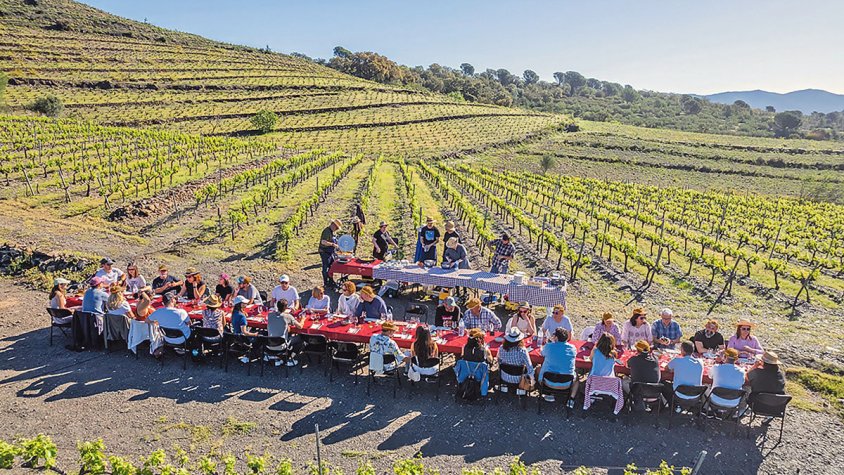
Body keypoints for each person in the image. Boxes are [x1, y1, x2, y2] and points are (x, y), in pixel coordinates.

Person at [537, 327, 579, 400]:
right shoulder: (572, 348)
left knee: (538, 369)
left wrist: (544, 346)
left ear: (556, 337)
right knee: (577, 378)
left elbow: (542, 353)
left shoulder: (549, 346)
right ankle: (571, 398)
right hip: (567, 383)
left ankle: (545, 391)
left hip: (549, 382)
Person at [267, 299, 305, 366]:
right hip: (281, 346)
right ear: (286, 307)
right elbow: (300, 326)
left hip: (269, 345)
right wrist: (303, 319)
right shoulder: (288, 316)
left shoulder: (270, 315)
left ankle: (277, 357)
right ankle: (289, 358)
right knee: (301, 339)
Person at [623, 340, 661, 408]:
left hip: (638, 391)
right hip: (654, 391)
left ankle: (630, 398)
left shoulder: (634, 359)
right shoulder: (655, 359)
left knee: (623, 381)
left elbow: (626, 365)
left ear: (637, 350)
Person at [497, 327, 535, 392]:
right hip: (519, 380)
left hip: (504, 377)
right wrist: (533, 381)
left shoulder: (501, 348)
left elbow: (499, 360)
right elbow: (530, 369)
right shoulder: (522, 351)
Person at [318, 219, 342, 288]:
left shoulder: (332, 232)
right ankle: (326, 283)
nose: (336, 229)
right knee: (326, 268)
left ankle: (331, 281)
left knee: (331, 266)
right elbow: (323, 242)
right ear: (333, 225)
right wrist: (332, 244)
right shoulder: (326, 231)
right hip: (324, 252)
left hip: (330, 252)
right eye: (336, 228)